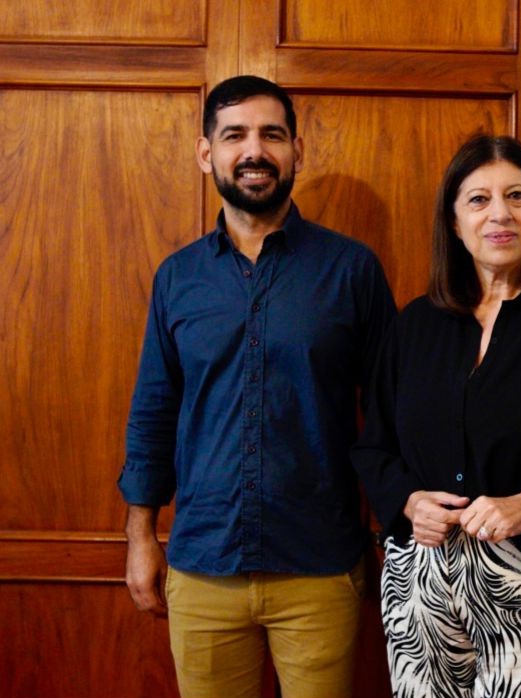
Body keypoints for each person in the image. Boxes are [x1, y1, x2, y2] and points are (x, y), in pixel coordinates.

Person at [118, 75, 395, 698]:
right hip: (203, 566)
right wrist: (140, 537)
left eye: (271, 135)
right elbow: (154, 412)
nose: (254, 151)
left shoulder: (351, 270)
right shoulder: (177, 278)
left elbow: (388, 412)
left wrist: (391, 535)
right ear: (206, 153)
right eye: (234, 135)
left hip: (320, 566)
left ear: (296, 149)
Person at [352, 134, 521, 698]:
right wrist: (408, 501)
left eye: (516, 196)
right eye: (478, 199)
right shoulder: (414, 324)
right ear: (454, 221)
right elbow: (374, 446)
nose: (500, 213)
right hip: (420, 589)